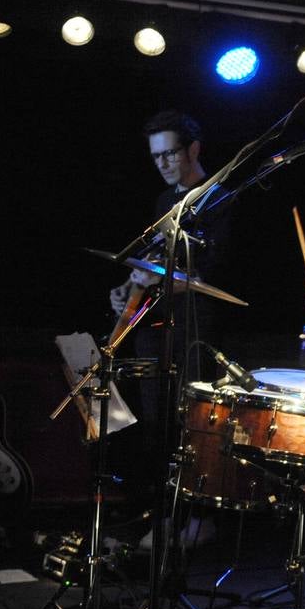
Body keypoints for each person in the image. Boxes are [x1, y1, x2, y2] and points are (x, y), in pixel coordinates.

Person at [108, 110, 234, 545]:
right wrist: (128, 287)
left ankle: (200, 519)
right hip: (156, 327)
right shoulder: (164, 203)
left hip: (196, 327)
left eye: (170, 154)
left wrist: (161, 280)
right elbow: (155, 259)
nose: (161, 163)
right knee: (157, 424)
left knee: (194, 424)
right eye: (155, 156)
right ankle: (166, 515)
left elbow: (214, 272)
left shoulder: (218, 198)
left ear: (194, 149)